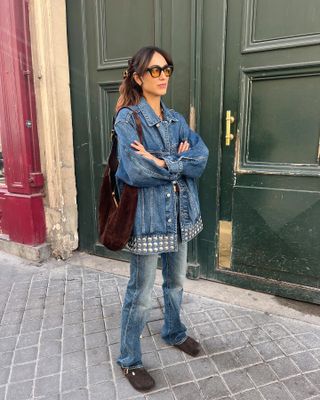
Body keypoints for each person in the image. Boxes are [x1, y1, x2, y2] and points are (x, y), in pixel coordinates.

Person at [114, 46, 209, 392]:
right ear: (138, 78)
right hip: (148, 220)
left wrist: (160, 162)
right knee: (140, 293)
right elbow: (135, 170)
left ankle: (173, 331)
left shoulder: (177, 119)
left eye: (167, 68)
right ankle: (129, 359)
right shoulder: (127, 119)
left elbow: (201, 157)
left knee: (176, 283)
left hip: (182, 216)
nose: (164, 75)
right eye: (155, 70)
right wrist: (174, 165)